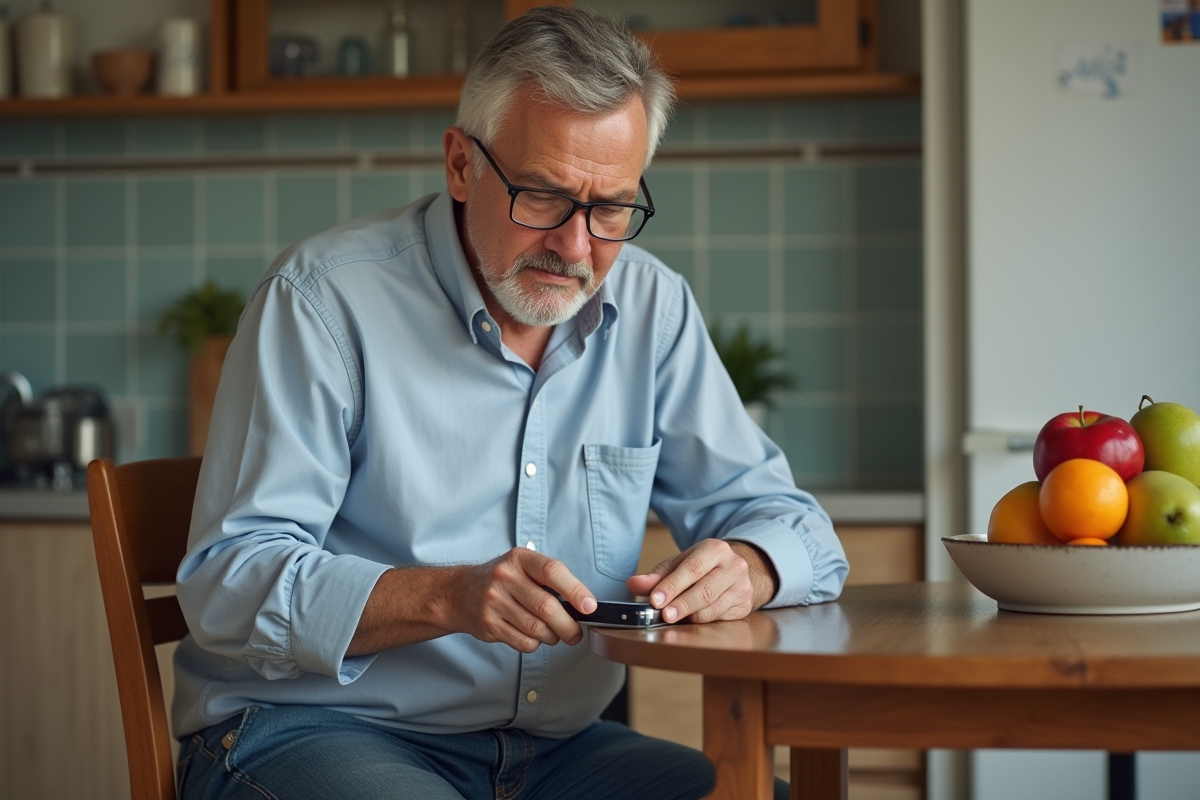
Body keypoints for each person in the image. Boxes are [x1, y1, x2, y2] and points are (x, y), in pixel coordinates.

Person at [173, 7, 848, 800]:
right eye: (543, 197)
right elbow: (230, 582)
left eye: (610, 210)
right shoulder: (323, 303)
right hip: (315, 729)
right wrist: (449, 595)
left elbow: (798, 529)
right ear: (461, 164)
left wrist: (752, 566)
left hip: (558, 754)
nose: (575, 247)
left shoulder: (654, 308)